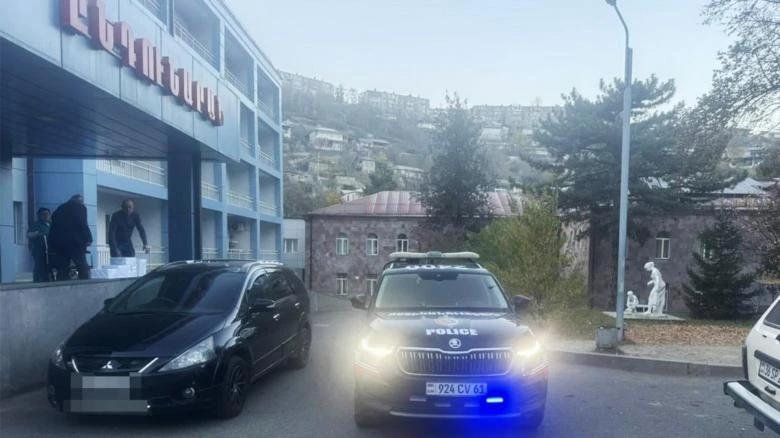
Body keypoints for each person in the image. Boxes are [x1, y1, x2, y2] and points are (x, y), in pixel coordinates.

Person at [49, 194, 92, 280]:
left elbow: (53, 225)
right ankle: (85, 283)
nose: (82, 203)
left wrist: (52, 242)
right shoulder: (80, 207)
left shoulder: (60, 208)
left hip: (60, 242)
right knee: (81, 263)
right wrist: (88, 238)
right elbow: (82, 223)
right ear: (78, 201)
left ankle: (61, 283)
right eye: (81, 201)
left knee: (62, 266)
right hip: (76, 242)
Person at [27, 207, 52, 282]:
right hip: (39, 250)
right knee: (39, 266)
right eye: (43, 214)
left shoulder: (51, 224)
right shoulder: (36, 225)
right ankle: (38, 281)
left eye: (47, 214)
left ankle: (47, 279)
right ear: (39, 215)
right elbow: (29, 235)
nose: (46, 216)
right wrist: (37, 234)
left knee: (48, 266)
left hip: (50, 250)